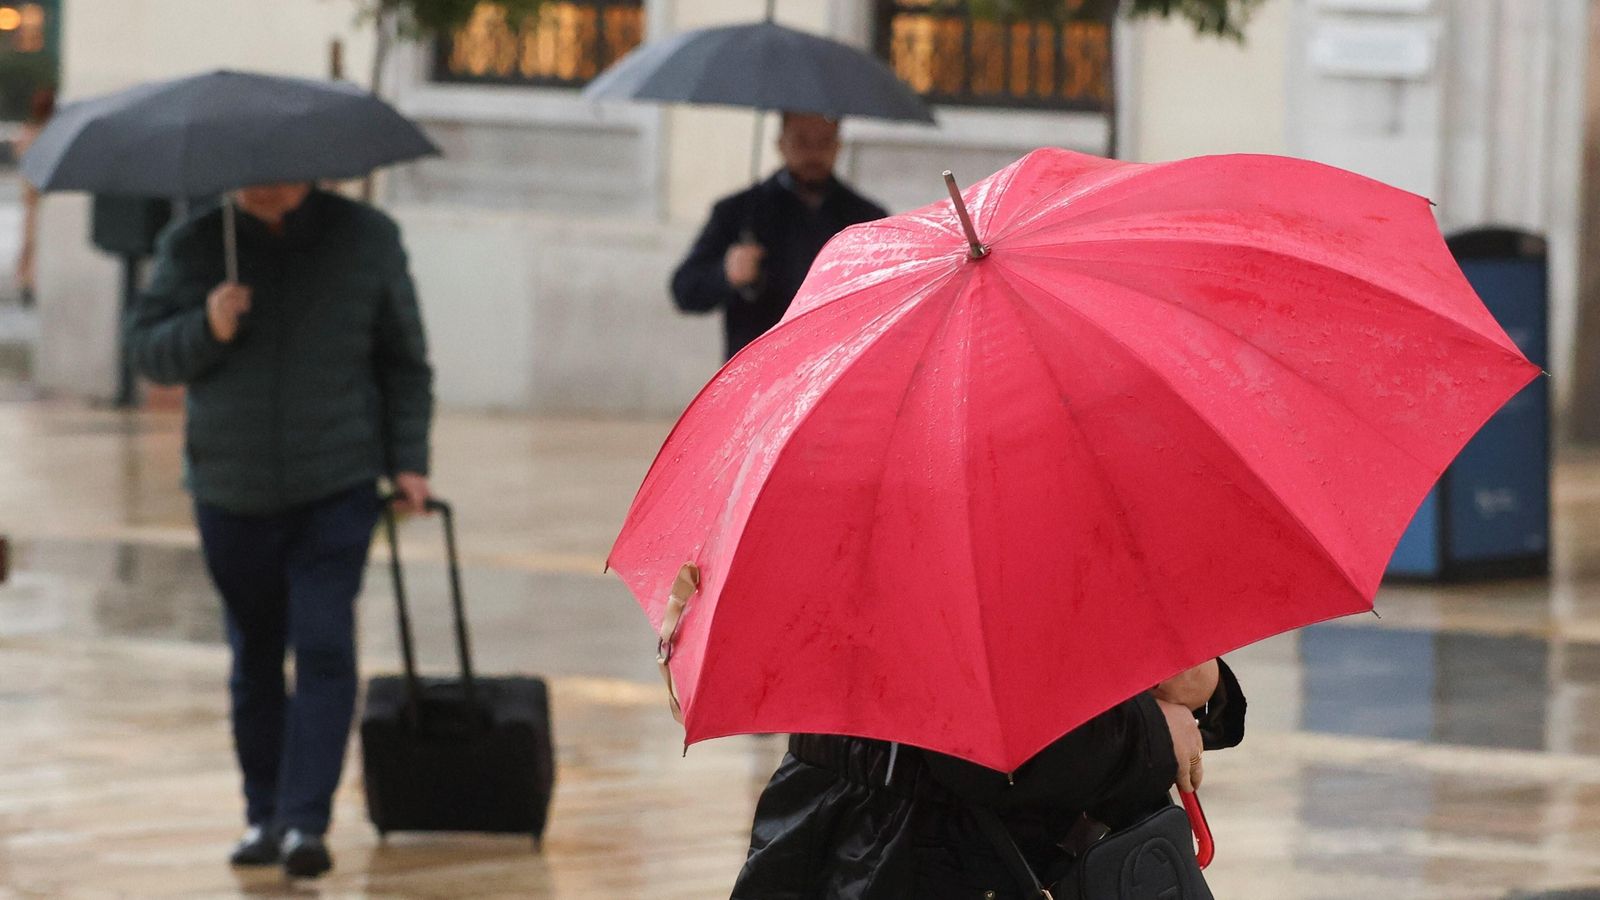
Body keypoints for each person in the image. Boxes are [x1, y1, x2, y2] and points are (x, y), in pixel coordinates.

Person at [126, 183, 434, 879]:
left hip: (337, 484)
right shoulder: (194, 243)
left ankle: (305, 822)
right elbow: (145, 350)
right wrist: (208, 325)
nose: (270, 185)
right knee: (255, 657)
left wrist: (409, 461)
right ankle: (261, 813)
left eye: (286, 173)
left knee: (325, 647)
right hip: (230, 489)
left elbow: (403, 359)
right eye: (256, 175)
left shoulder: (367, 238)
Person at [729, 659, 1246, 899]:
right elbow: (988, 746)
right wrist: (1154, 732)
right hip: (910, 849)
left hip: (843, 828)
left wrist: (1202, 682)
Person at [671, 112, 887, 360]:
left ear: (838, 146)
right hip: (757, 371)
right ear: (781, 143)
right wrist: (725, 273)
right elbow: (684, 290)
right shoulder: (739, 211)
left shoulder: (866, 218)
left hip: (835, 364)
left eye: (824, 141)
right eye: (802, 141)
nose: (813, 153)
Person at [13, 87, 55, 307]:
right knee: (31, 241)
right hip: (36, 196)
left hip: (35, 196)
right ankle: (27, 281)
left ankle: (27, 280)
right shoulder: (41, 132)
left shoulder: (33, 132)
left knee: (30, 241)